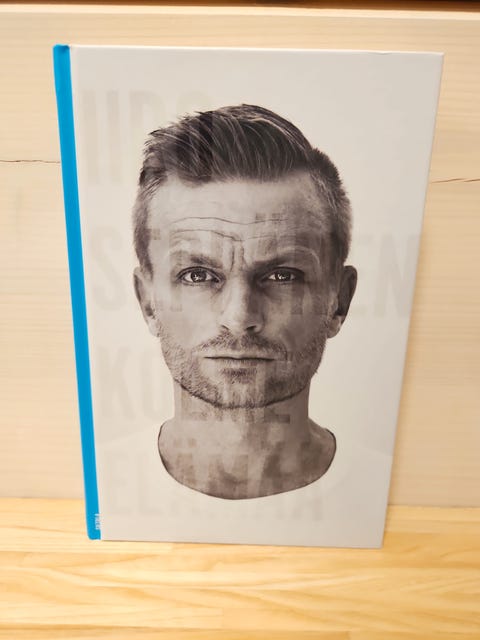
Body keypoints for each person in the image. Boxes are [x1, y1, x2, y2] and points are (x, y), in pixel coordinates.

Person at [132, 104, 357, 501]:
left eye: (282, 276)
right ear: (148, 302)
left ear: (339, 300)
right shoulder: (100, 487)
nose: (239, 318)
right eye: (197, 275)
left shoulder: (382, 492)